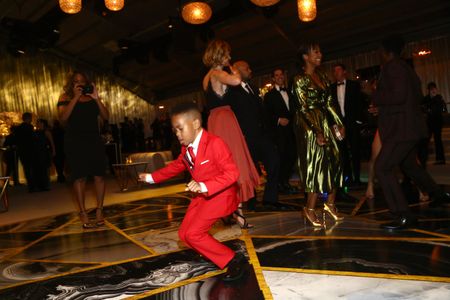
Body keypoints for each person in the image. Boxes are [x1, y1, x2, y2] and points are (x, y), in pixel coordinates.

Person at [139, 102, 248, 282]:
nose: (177, 134)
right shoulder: (187, 149)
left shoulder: (215, 143)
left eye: (180, 129)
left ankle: (233, 259)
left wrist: (204, 186)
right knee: (184, 235)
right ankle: (213, 253)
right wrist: (152, 177)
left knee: (193, 234)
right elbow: (176, 166)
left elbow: (232, 173)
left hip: (219, 196)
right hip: (202, 197)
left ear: (196, 124)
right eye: (175, 131)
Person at [373, 35, 449, 230]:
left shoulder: (393, 66)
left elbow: (398, 96)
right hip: (410, 127)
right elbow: (411, 97)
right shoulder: (407, 68)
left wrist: (375, 94)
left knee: (383, 167)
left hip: (401, 129)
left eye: (380, 50)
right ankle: (437, 194)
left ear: (387, 51)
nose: (379, 54)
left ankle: (403, 214)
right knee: (409, 165)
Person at [202, 40, 260, 228]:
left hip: (214, 120)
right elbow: (237, 80)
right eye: (227, 54)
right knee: (235, 163)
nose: (229, 57)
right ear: (219, 55)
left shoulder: (206, 77)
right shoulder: (219, 73)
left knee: (223, 166)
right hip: (225, 120)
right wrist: (233, 69)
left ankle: (230, 210)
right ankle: (237, 213)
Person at [292, 42, 345, 227]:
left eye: (320, 51)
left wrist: (338, 123)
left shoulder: (322, 75)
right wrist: (317, 131)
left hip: (323, 120)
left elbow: (330, 102)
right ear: (305, 57)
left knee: (335, 160)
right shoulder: (299, 79)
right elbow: (303, 108)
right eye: (315, 51)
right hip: (308, 125)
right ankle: (309, 208)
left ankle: (330, 204)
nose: (320, 54)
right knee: (316, 165)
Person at [57, 71, 109, 229]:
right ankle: (83, 212)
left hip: (93, 140)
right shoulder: (65, 98)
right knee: (79, 177)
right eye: (76, 82)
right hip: (75, 142)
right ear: (71, 84)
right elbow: (63, 118)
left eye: (82, 81)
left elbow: (106, 116)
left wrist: (96, 98)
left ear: (87, 82)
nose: (79, 84)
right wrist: (75, 97)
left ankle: (100, 209)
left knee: (99, 175)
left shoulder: (93, 97)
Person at [229, 60, 282, 210]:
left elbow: (262, 111)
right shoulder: (232, 91)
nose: (250, 70)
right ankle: (251, 201)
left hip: (263, 135)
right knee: (250, 169)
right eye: (247, 68)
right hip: (247, 137)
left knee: (274, 161)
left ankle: (270, 198)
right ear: (237, 71)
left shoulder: (253, 88)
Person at [264, 68, 298, 194]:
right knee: (281, 158)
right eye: (276, 75)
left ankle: (285, 181)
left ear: (284, 77)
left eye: (281, 75)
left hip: (291, 131)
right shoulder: (269, 95)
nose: (279, 77)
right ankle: (280, 183)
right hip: (278, 133)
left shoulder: (290, 92)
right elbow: (266, 115)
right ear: (273, 78)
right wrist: (278, 120)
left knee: (292, 156)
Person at [331, 63, 365, 187]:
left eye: (338, 70)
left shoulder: (354, 85)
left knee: (355, 150)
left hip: (352, 124)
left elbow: (360, 104)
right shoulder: (331, 88)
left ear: (344, 72)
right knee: (342, 152)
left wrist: (358, 121)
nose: (336, 73)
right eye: (334, 71)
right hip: (339, 126)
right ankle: (348, 178)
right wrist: (334, 125)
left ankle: (357, 179)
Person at [422, 82, 447, 165]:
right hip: (429, 123)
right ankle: (423, 160)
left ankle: (440, 159)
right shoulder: (426, 99)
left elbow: (442, 109)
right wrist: (427, 110)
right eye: (431, 89)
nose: (433, 90)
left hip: (437, 123)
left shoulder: (439, 98)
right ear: (428, 90)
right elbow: (422, 107)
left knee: (438, 141)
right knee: (425, 141)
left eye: (434, 88)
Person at [15, 112, 36, 192]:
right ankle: (33, 185)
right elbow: (32, 139)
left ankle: (30, 186)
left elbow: (17, 140)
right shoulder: (30, 127)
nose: (31, 119)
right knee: (32, 168)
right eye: (31, 118)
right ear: (28, 118)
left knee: (26, 168)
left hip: (22, 151)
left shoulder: (18, 128)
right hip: (30, 150)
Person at [33, 119, 55, 191]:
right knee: (39, 169)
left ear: (43, 123)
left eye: (39, 122)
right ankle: (40, 185)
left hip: (44, 152)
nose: (37, 124)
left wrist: (54, 151)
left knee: (45, 169)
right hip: (37, 152)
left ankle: (46, 185)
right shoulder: (35, 132)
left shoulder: (47, 132)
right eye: (37, 123)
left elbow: (52, 142)